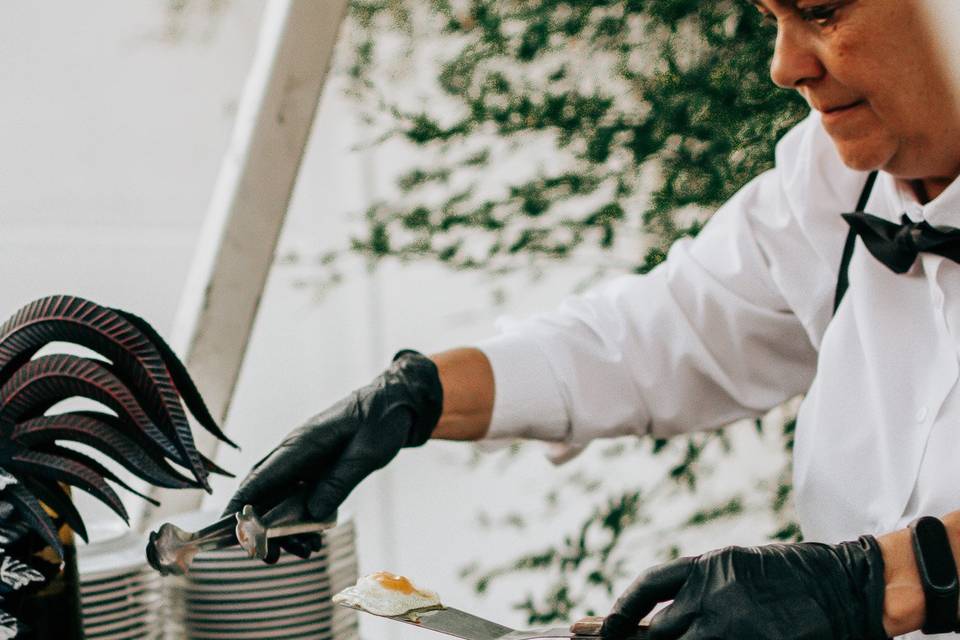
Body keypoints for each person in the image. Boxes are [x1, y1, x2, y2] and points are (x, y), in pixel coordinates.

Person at [223, 1, 960, 638]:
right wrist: (417, 395)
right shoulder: (830, 183)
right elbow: (657, 333)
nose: (784, 64)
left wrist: (878, 582)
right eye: (772, 20)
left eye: (823, 11)